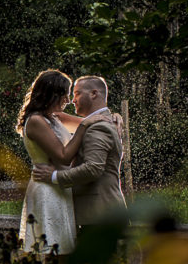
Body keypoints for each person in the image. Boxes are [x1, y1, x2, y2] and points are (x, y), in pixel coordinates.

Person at [16, 70, 112, 254]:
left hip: (59, 187)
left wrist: (114, 118)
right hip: (47, 188)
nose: (68, 100)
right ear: (52, 94)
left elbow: (96, 122)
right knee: (51, 252)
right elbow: (63, 155)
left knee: (62, 252)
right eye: (66, 94)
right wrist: (84, 126)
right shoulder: (36, 121)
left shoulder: (53, 118)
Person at [31, 75, 126, 226]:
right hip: (90, 210)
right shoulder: (90, 123)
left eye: (76, 94)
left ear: (94, 94)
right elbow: (83, 124)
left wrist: (54, 176)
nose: (71, 100)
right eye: (68, 95)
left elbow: (93, 168)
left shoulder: (99, 126)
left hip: (99, 212)